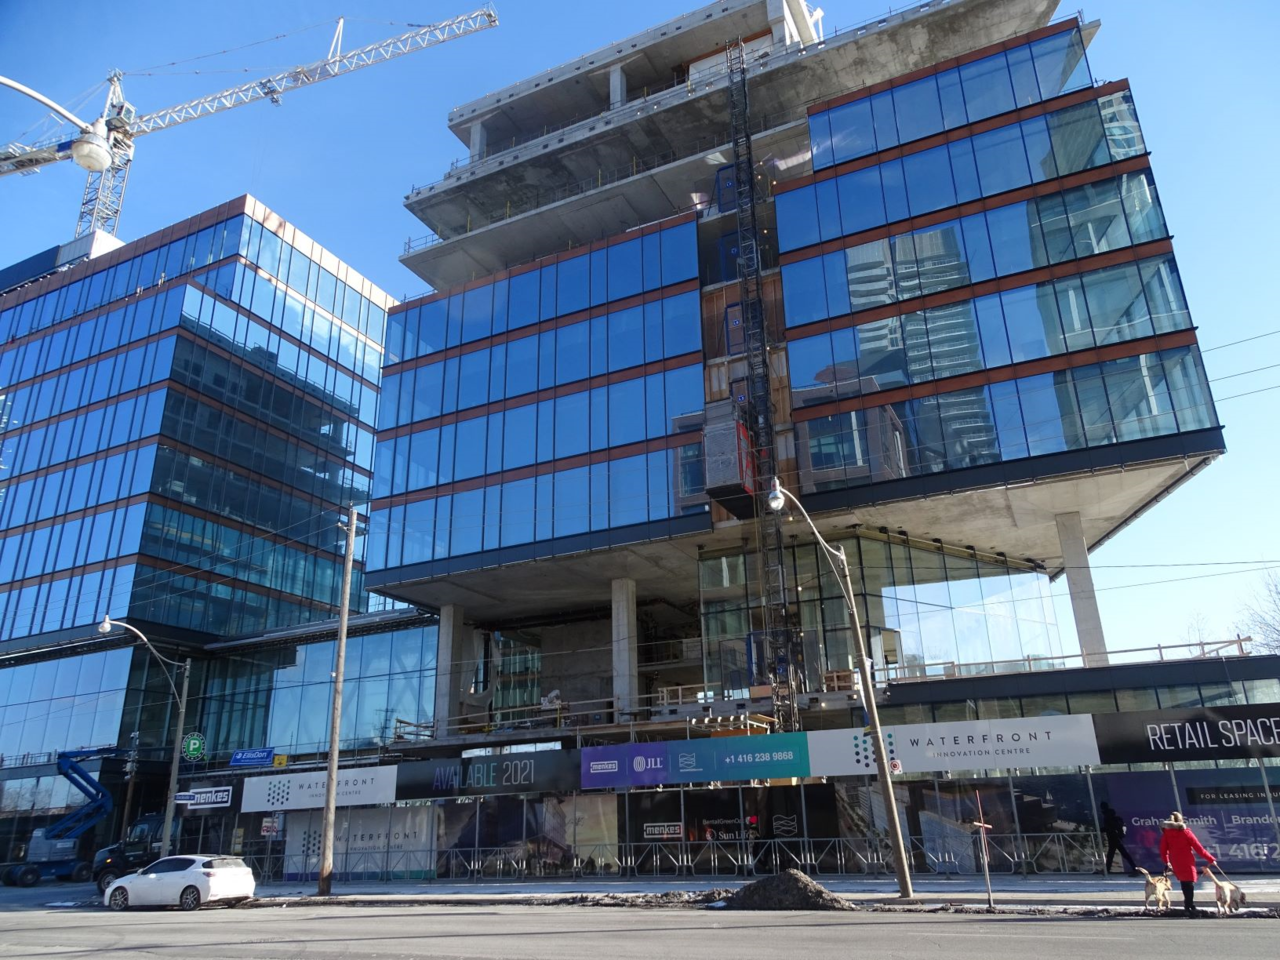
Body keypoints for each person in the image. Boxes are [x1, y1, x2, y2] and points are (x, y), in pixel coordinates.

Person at [1159, 810, 1217, 915]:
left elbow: (1163, 851)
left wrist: (1167, 862)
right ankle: (1190, 906)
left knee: (1184, 883)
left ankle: (1188, 905)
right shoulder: (1186, 833)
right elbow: (1199, 849)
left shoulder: (1166, 834)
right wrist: (1211, 859)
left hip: (1175, 861)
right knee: (1189, 883)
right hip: (1187, 861)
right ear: (1181, 821)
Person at [1100, 802, 1137, 876]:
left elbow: (1110, 827)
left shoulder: (1108, 816)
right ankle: (1134, 868)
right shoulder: (1110, 815)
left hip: (1113, 838)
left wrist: (1102, 829)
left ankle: (1135, 868)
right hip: (1115, 837)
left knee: (1119, 854)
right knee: (1116, 854)